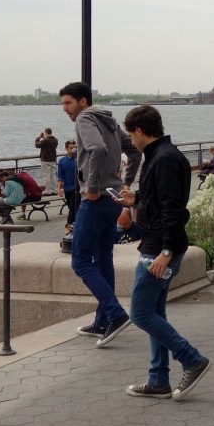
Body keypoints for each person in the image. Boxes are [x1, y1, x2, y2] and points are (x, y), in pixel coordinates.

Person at [116, 105, 211, 400]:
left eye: (131, 134)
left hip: (159, 247)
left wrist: (166, 251)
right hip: (159, 243)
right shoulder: (163, 154)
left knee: (140, 313)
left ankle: (192, 359)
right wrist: (137, 198)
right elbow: (161, 199)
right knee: (155, 312)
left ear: (139, 131)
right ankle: (158, 380)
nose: (131, 140)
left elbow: (172, 209)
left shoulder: (163, 158)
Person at [61, 81, 142, 346]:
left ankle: (116, 315)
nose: (64, 108)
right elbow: (134, 150)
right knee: (103, 259)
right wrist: (125, 182)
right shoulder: (109, 121)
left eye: (68, 102)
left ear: (83, 101)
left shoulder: (85, 118)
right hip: (113, 199)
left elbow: (97, 149)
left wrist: (93, 187)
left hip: (95, 201)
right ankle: (102, 321)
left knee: (80, 262)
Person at [57, 140, 79, 233]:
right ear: (66, 148)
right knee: (71, 208)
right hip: (67, 188)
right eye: (71, 148)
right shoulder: (62, 161)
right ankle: (76, 225)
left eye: (74, 148)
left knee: (73, 208)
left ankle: (68, 228)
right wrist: (59, 188)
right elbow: (60, 177)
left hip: (76, 188)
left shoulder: (78, 160)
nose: (73, 150)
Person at [35, 128, 60, 194]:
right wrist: (44, 138)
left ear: (45, 133)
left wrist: (38, 138)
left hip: (45, 160)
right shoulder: (55, 140)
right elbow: (48, 143)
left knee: (46, 176)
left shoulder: (46, 140)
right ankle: (54, 190)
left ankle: (48, 190)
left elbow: (37, 145)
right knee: (53, 175)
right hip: (53, 160)